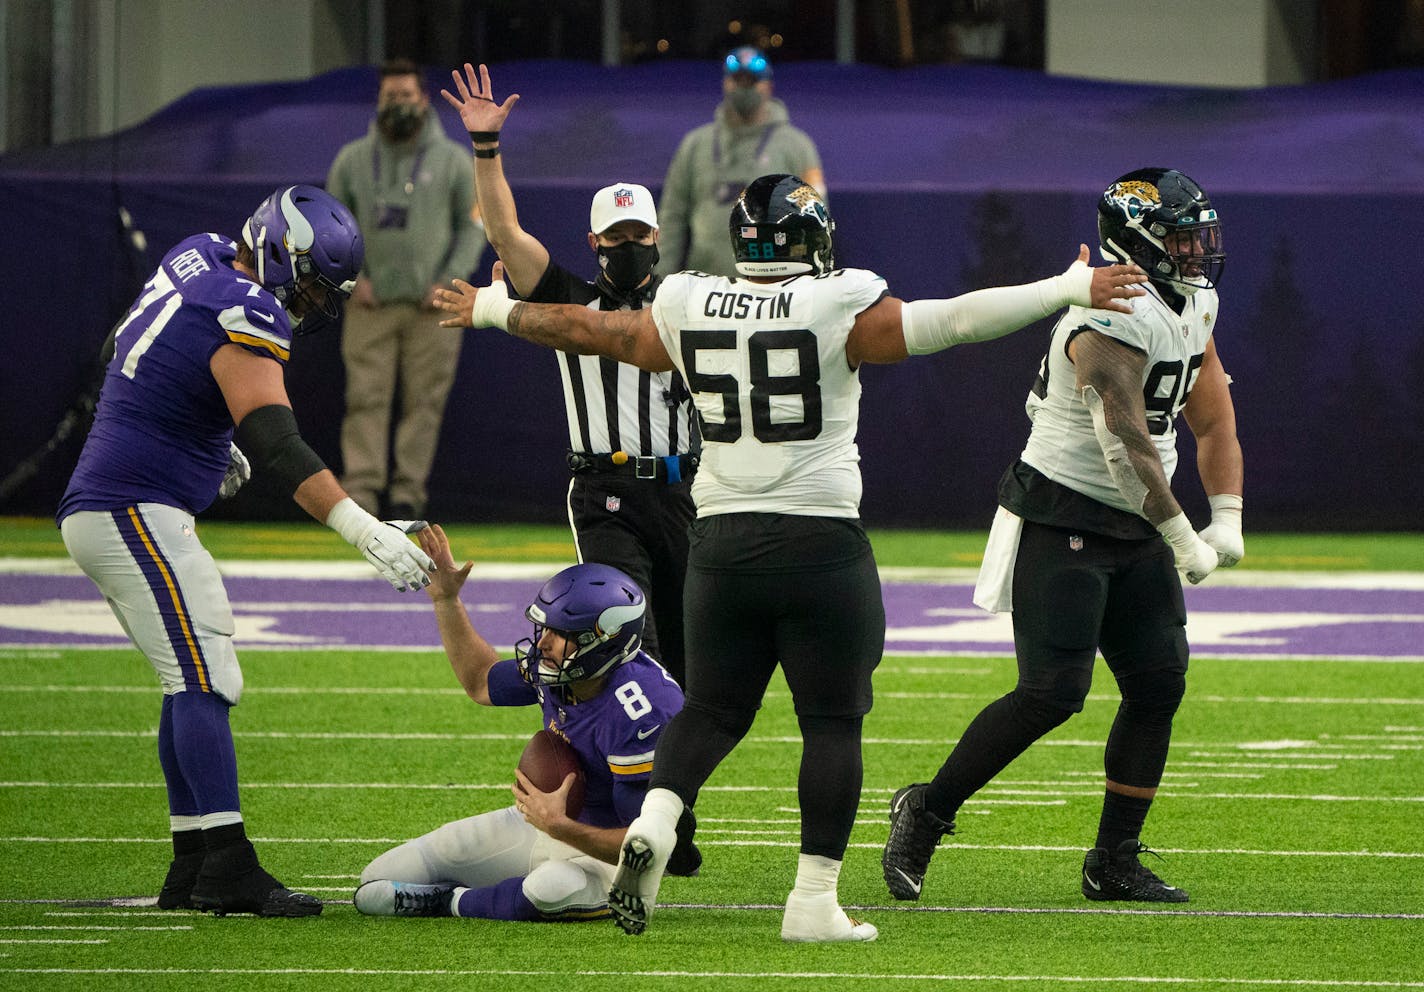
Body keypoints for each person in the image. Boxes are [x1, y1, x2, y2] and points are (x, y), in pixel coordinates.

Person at [435, 173, 1148, 941]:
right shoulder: (836, 301)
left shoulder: (688, 301)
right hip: (818, 545)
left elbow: (591, 332)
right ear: (814, 240)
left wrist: (491, 307)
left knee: (710, 710)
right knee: (832, 725)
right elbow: (954, 322)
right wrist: (1066, 286)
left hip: (720, 543)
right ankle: (811, 904)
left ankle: (661, 821)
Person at [56, 185, 436, 917]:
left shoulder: (194, 254)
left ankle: (194, 862)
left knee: (186, 675)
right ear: (280, 253)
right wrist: (364, 528)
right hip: (130, 505)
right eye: (316, 284)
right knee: (206, 672)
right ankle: (227, 866)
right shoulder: (250, 307)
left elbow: (123, 351)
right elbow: (277, 443)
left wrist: (201, 432)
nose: (316, 303)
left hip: (118, 502)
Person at [880, 167, 1243, 906]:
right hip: (1065, 511)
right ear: (1138, 240)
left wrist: (1229, 510)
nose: (1198, 250)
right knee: (1052, 692)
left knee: (1158, 684)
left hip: (1139, 517)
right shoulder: (1104, 318)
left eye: (1199, 234)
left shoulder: (1193, 300)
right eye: (1180, 237)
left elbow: (1211, 409)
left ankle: (1113, 860)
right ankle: (927, 809)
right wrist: (1184, 537)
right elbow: (1124, 441)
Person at [437, 62, 697, 685]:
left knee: (690, 661)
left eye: (637, 233)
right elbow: (504, 233)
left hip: (686, 494)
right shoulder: (569, 303)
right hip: (607, 494)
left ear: (657, 235)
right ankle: (635, 773)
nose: (627, 244)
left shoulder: (689, 301)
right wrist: (486, 146)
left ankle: (667, 777)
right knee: (633, 640)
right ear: (593, 242)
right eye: (615, 236)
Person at [353, 524, 700, 922]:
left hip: (605, 855)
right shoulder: (560, 667)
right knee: (381, 875)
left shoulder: (642, 710)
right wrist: (446, 600)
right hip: (540, 821)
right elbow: (481, 682)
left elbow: (649, 846)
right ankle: (479, 887)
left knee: (549, 889)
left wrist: (561, 825)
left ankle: (449, 903)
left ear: (603, 641)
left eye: (561, 633)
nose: (542, 643)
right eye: (545, 627)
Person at [326, 57, 488, 519]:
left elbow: (473, 226)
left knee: (425, 404)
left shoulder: (455, 161)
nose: (398, 104)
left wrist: (448, 281)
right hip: (369, 304)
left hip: (434, 306)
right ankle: (361, 492)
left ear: (423, 99)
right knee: (365, 400)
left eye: (406, 95)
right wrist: (353, 279)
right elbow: (329, 226)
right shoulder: (353, 159)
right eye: (389, 96)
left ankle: (406, 494)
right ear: (379, 101)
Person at [655, 47, 824, 279]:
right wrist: (660, 278)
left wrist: (810, 281)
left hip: (773, 289)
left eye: (752, 81)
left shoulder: (797, 147)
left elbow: (815, 220)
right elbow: (671, 217)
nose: (744, 87)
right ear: (725, 83)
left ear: (768, 86)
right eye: (737, 79)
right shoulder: (695, 144)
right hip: (706, 287)